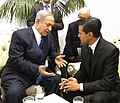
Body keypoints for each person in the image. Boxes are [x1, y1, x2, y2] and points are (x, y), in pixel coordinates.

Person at [1, 10, 67, 103]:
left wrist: (55, 57)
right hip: (17, 73)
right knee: (15, 93)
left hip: (38, 73)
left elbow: (51, 51)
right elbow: (16, 59)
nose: (50, 29)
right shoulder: (19, 35)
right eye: (47, 25)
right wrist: (37, 69)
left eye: (51, 26)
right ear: (37, 21)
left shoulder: (49, 37)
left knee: (56, 79)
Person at [59, 17, 120, 103]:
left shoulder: (111, 51)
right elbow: (83, 70)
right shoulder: (85, 47)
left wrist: (79, 86)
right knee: (67, 89)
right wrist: (74, 80)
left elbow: (107, 83)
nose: (78, 36)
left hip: (107, 88)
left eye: (80, 33)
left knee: (97, 99)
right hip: (91, 82)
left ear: (89, 35)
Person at [27, 0, 64, 73]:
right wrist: (40, 28)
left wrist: (49, 25)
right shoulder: (35, 8)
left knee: (52, 67)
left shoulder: (56, 9)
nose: (49, 28)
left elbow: (61, 25)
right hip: (37, 40)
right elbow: (29, 22)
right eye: (48, 25)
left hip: (52, 40)